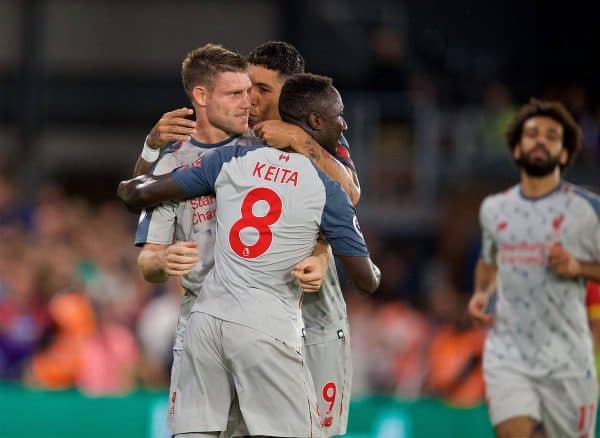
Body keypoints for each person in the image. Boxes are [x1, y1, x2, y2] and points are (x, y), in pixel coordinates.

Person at [118, 72, 380, 437]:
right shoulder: (327, 189)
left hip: (206, 321)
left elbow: (138, 193)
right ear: (316, 122)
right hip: (268, 326)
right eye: (340, 116)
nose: (345, 123)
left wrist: (146, 159)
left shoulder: (230, 158)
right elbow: (366, 279)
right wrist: (335, 254)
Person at [467, 99, 600, 438]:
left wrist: (579, 266)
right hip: (509, 354)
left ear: (565, 154)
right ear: (515, 148)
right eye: (532, 134)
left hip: (568, 358)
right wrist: (483, 293)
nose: (540, 140)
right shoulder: (494, 209)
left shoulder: (587, 210)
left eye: (552, 136)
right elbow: (489, 261)